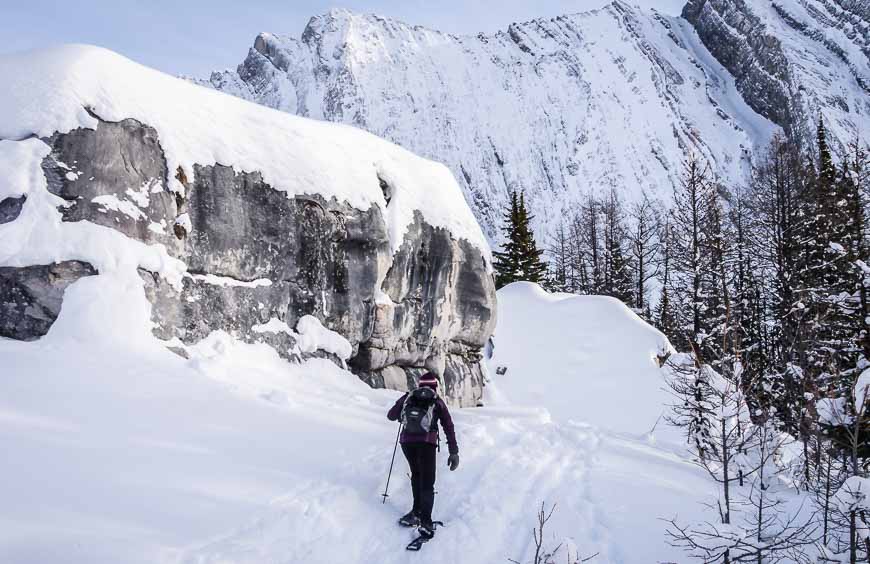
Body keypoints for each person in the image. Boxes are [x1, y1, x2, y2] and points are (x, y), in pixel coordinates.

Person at [387, 372, 459, 539]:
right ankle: (425, 522)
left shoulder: (409, 396)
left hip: (407, 443)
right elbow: (448, 425)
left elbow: (391, 415)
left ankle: (416, 513)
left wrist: (404, 414)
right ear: (434, 386)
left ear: (420, 384)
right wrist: (453, 451)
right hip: (426, 443)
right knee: (427, 482)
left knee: (416, 475)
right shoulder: (436, 400)